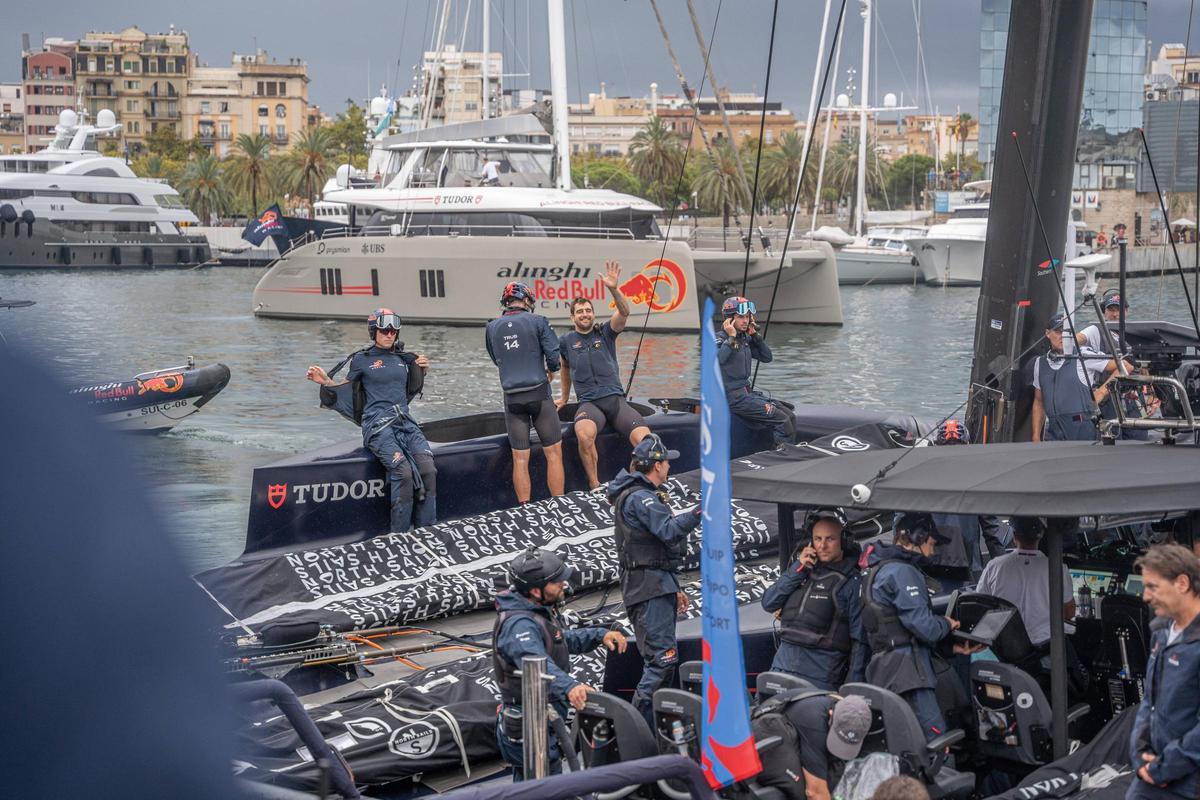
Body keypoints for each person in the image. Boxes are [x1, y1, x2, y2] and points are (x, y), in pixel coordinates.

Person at [493, 548, 628, 781]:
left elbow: (558, 641)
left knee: (536, 783)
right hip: (530, 722)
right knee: (542, 784)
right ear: (536, 590)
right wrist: (570, 687)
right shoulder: (519, 625)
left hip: (542, 717)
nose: (564, 585)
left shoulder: (536, 611)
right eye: (557, 582)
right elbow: (536, 662)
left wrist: (599, 635)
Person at [306, 308, 436, 532]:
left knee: (428, 470)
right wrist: (326, 381)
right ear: (374, 331)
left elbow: (409, 389)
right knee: (403, 473)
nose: (389, 334)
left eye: (394, 331)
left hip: (405, 423)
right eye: (385, 330)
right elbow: (346, 389)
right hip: (377, 427)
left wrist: (422, 370)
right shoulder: (361, 360)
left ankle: (426, 531)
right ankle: (400, 536)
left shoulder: (404, 359)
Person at [606, 434, 701, 725]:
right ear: (656, 466)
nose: (670, 467)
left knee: (665, 661)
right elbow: (669, 532)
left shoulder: (644, 495)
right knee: (662, 662)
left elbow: (656, 549)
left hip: (657, 585)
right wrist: (700, 511)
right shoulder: (640, 498)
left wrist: (675, 586)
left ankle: (659, 724)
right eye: (666, 462)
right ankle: (637, 729)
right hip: (647, 590)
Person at [861, 513, 980, 740]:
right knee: (936, 742)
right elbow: (924, 627)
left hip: (884, 670)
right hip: (909, 677)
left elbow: (894, 628)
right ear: (919, 537)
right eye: (932, 544)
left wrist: (951, 649)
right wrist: (946, 624)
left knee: (902, 741)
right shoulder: (903, 572)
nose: (933, 552)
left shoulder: (876, 570)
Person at [556, 261, 651, 489]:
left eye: (588, 310)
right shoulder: (566, 342)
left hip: (616, 402)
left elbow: (625, 312)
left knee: (648, 441)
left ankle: (638, 484)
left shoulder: (605, 332)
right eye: (580, 312)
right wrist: (564, 397)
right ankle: (594, 485)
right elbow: (565, 369)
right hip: (590, 404)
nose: (585, 314)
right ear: (572, 318)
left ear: (593, 314)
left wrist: (613, 288)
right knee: (583, 434)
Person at [761, 507, 868, 690]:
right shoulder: (801, 571)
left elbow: (860, 642)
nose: (822, 546)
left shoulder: (852, 582)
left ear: (843, 541)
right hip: (780, 668)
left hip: (819, 676)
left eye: (830, 539)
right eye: (817, 539)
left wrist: (851, 689)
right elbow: (769, 602)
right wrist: (798, 568)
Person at [1126, 544, 1200, 800]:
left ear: (1182, 583)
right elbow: (1149, 701)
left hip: (1188, 781)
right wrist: (1139, 755)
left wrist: (1165, 768)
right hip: (1152, 771)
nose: (1145, 596)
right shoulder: (1160, 632)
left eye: (1153, 587)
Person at [485, 281, 565, 504]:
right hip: (539, 394)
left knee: (520, 458)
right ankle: (558, 504)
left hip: (512, 398)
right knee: (554, 452)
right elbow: (553, 356)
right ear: (527, 301)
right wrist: (552, 370)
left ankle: (524, 509)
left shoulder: (491, 327)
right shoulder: (538, 321)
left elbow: (496, 358)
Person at [976, 517, 1075, 648]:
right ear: (1041, 536)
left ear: (1014, 536)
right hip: (1045, 646)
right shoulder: (1058, 568)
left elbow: (980, 605)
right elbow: (1069, 612)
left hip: (1004, 647)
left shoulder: (994, 566)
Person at [1031, 312, 1128, 442]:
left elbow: (1125, 366)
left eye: (1067, 333)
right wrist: (1036, 435)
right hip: (1054, 431)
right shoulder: (1040, 363)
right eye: (1059, 332)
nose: (1063, 336)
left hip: (1082, 429)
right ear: (1048, 333)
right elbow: (1039, 401)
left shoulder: (1083, 355)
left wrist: (1101, 392)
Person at [716, 295, 795, 447]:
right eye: (740, 317)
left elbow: (767, 357)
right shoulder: (720, 339)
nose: (745, 321)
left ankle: (783, 451)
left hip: (746, 393)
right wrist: (731, 337)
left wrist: (755, 336)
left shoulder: (745, 339)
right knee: (782, 420)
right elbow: (718, 360)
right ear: (729, 320)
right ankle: (781, 459)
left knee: (789, 415)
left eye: (747, 317)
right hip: (732, 398)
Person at [780, 693, 872, 800]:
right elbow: (814, 793)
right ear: (831, 714)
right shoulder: (815, 724)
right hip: (769, 752)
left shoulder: (838, 706)